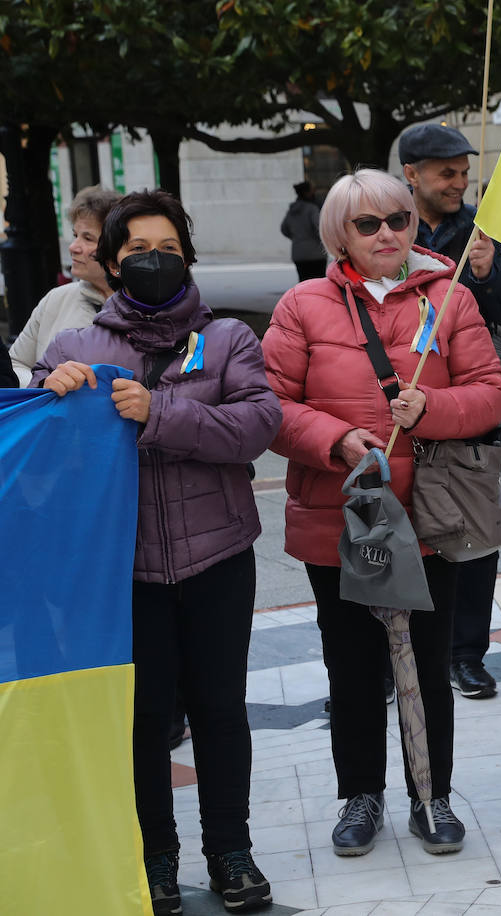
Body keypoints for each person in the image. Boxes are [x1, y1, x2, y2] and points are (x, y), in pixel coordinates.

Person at [32, 189, 282, 915]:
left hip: (219, 557)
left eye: (167, 248)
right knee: (142, 719)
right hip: (123, 568)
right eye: (135, 251)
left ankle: (230, 852)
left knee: (220, 710)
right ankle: (156, 857)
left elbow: (256, 425)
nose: (153, 261)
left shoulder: (230, 337)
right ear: (109, 265)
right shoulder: (75, 347)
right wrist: (54, 397)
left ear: (188, 256)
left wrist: (160, 411)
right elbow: (47, 465)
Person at [262, 169, 501, 858]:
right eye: (367, 224)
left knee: (429, 668)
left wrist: (434, 409)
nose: (386, 235)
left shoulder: (450, 298)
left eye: (397, 220)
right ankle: (360, 796)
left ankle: (432, 796)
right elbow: (269, 408)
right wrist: (335, 440)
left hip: (428, 518)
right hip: (341, 517)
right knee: (352, 666)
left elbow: (491, 394)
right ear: (340, 232)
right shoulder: (303, 305)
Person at [397, 121, 501, 700]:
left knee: (476, 526)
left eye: (463, 172)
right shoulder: (386, 225)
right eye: (447, 172)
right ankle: (396, 653)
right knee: (399, 527)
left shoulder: (481, 228)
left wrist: (485, 272)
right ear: (412, 174)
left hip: (469, 402)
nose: (459, 183)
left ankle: (467, 654)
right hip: (406, 401)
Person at [10, 185, 121, 385]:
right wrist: (44, 384)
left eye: (87, 238)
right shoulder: (56, 299)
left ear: (117, 247)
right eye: (75, 235)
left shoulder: (144, 306)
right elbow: (15, 365)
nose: (73, 247)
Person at [280, 180, 327, 281]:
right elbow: (319, 227)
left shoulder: (291, 211)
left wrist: (296, 237)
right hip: (315, 254)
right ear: (307, 193)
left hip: (298, 254)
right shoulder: (312, 209)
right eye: (313, 190)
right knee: (318, 285)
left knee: (303, 283)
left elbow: (284, 229)